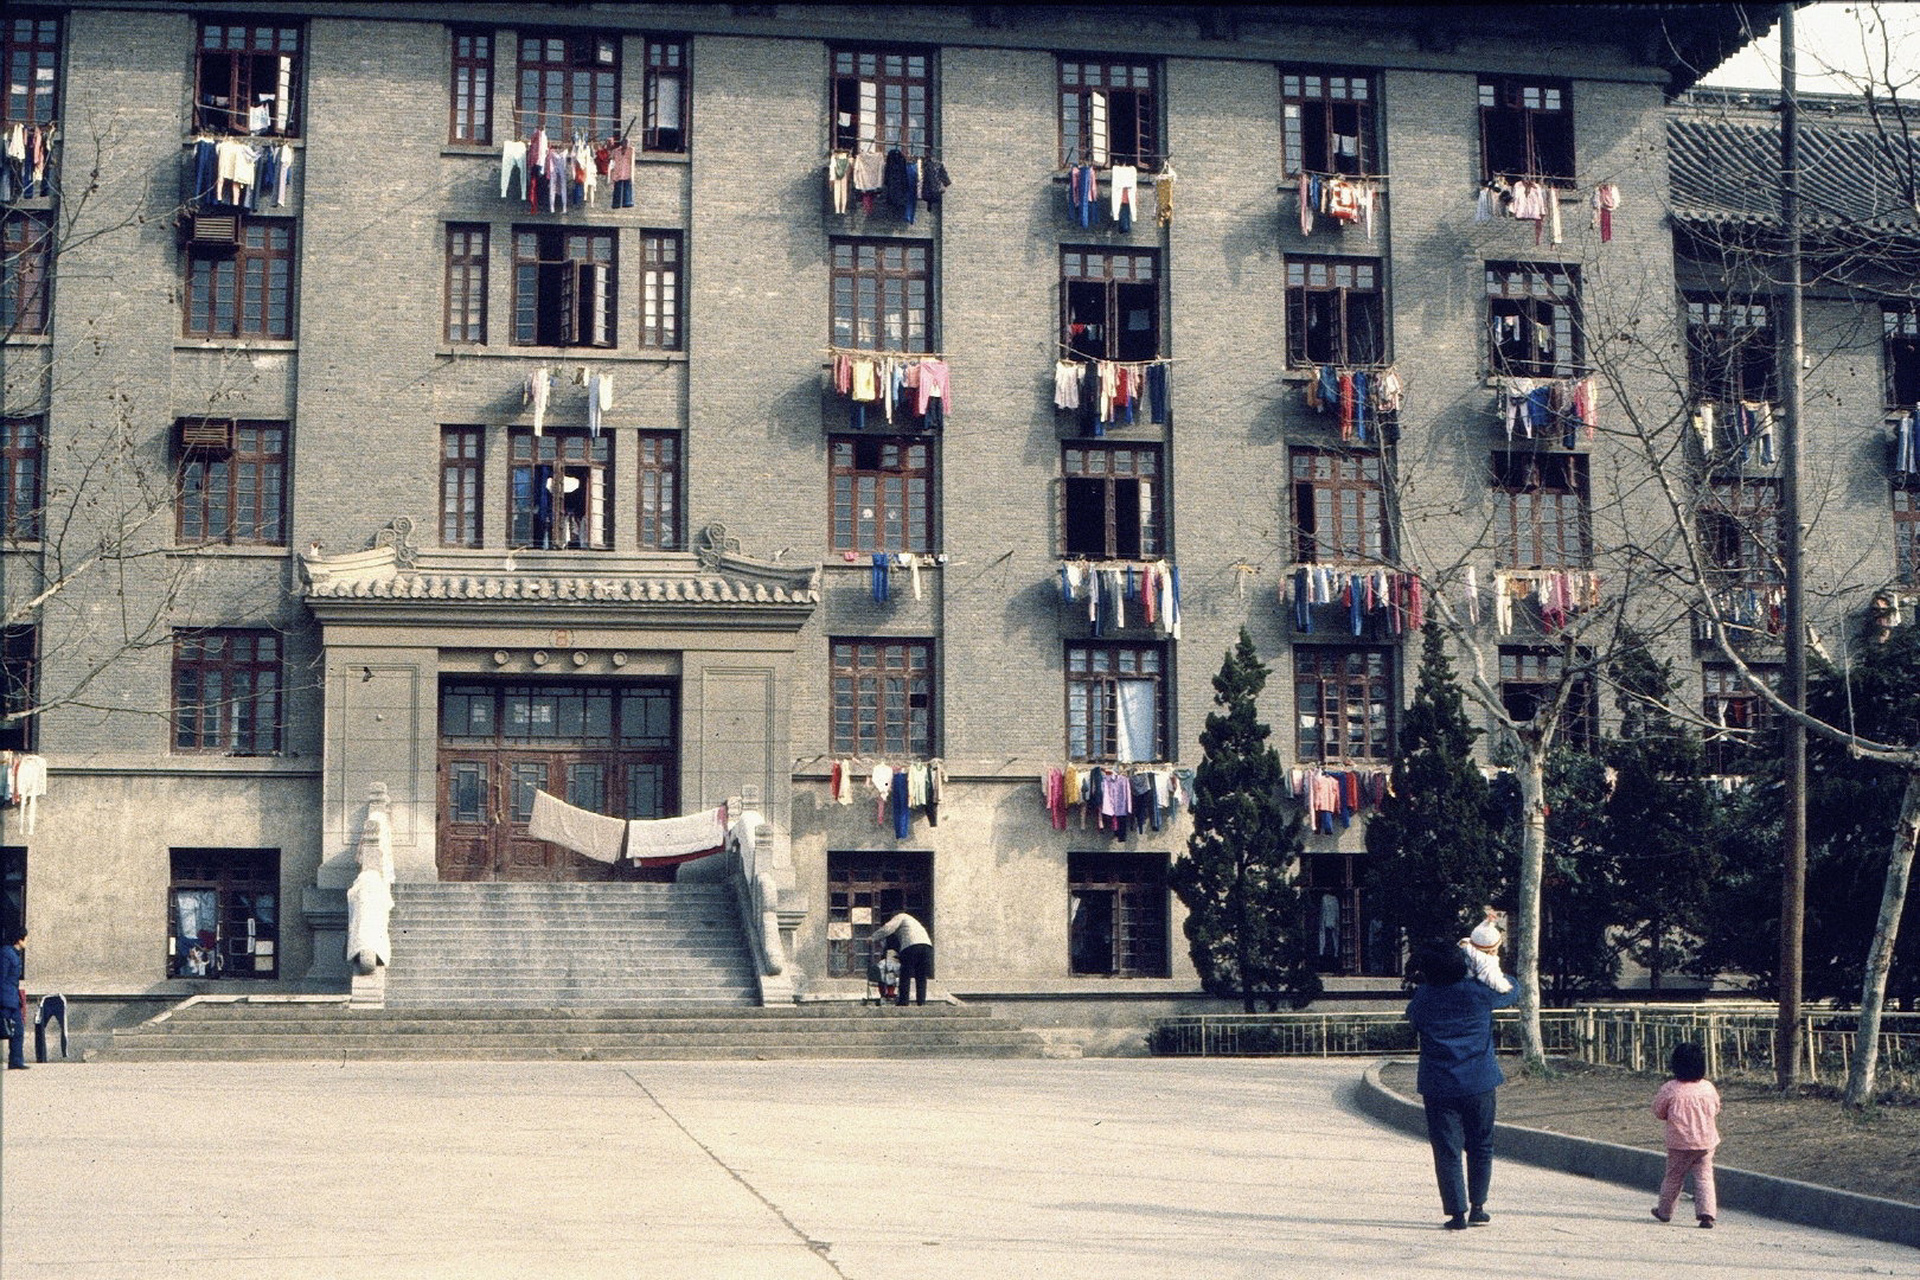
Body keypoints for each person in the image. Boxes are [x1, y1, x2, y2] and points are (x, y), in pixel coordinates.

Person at [1404, 939, 1519, 1229]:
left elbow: (1413, 1021)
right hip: (1479, 1081)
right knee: (1481, 1144)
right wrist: (1486, 959)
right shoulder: (1478, 993)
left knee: (1447, 1149)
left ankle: (1456, 1212)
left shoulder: (1423, 998)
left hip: (1439, 1084)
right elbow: (1512, 988)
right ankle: (1478, 1207)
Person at [1652, 1041, 1721, 1228]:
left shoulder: (1670, 1088)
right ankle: (1707, 1214)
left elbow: (1659, 1111)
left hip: (1679, 1143)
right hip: (1706, 1142)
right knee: (1705, 1177)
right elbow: (1716, 1108)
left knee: (1674, 1176)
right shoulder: (1708, 1088)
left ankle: (1664, 1211)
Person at [869, 912, 932, 1006]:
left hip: (911, 946)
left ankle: (903, 1001)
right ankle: (921, 1002)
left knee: (905, 974)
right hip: (927, 946)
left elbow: (888, 928)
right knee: (921, 976)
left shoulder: (900, 916)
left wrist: (873, 937)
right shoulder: (913, 922)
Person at [1460, 907, 1513, 994]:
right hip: (1468, 987)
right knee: (1513, 984)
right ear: (1491, 951)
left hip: (1460, 980)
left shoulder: (1465, 944)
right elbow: (1499, 985)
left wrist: (1488, 922)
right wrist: (1509, 988)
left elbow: (1481, 932)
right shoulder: (1486, 960)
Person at [1, 929, 27, 1071]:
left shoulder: (14, 954)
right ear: (20, 940)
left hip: (13, 999)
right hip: (5, 1000)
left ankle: (16, 1061)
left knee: (18, 1031)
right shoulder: (6, 954)